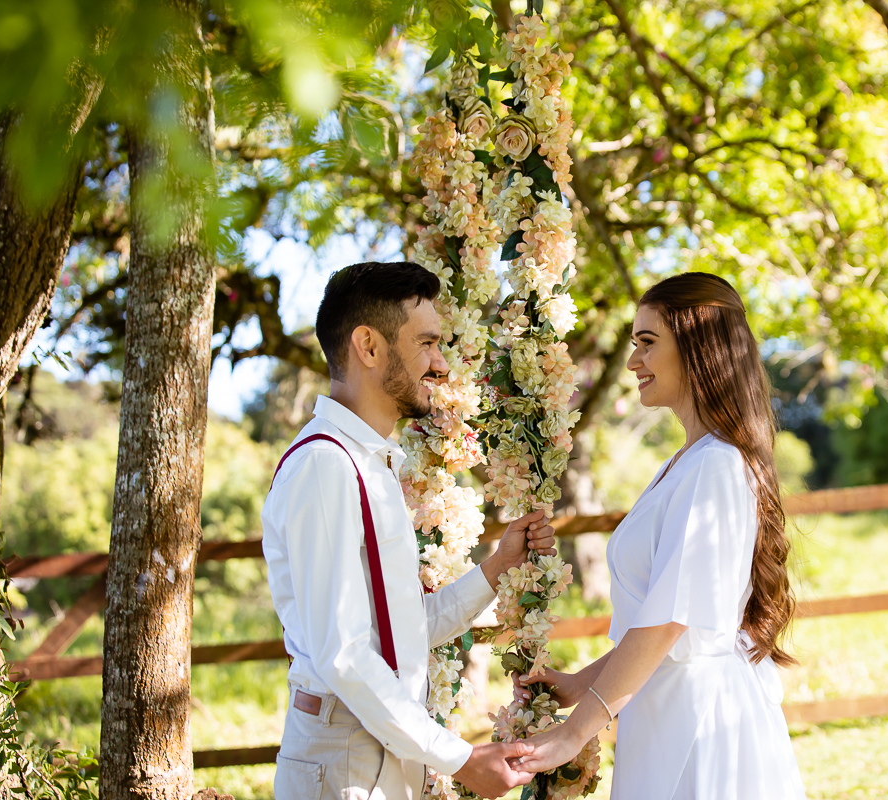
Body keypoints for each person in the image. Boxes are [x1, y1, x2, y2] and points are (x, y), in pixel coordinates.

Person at [262, 261, 555, 800]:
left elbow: (395, 633)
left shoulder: (370, 463)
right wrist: (461, 758)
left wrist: (495, 570)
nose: (441, 364)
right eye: (426, 343)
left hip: (375, 745)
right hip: (344, 755)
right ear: (368, 346)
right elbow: (344, 654)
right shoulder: (326, 466)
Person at [510, 272, 809, 799]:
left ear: (698, 347)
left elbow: (670, 625)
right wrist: (583, 682)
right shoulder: (685, 463)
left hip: (700, 726)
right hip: (666, 711)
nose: (632, 362)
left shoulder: (715, 465)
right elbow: (661, 619)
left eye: (648, 343)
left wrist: (574, 732)